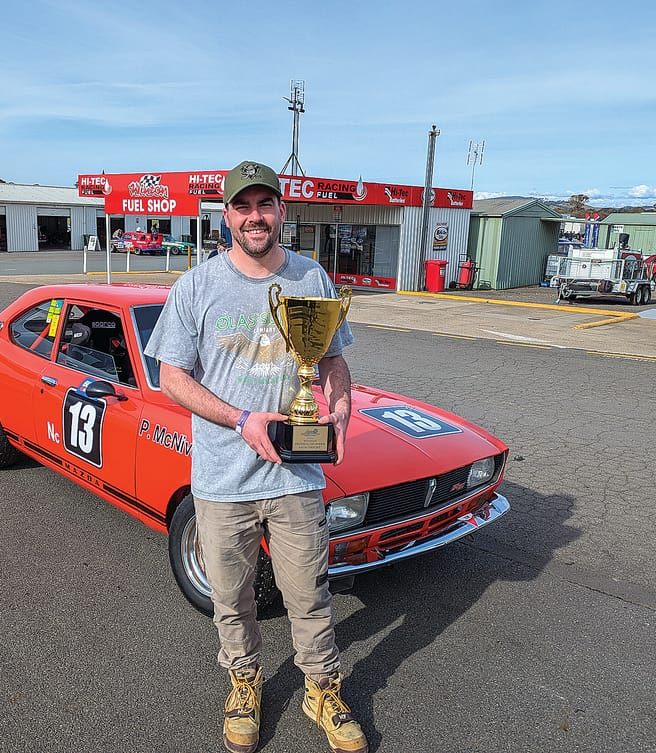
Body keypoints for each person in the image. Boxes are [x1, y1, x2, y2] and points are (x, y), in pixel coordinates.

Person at [144, 160, 365, 753]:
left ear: (281, 212)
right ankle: (244, 680)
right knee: (231, 596)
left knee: (308, 594)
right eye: (243, 207)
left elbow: (334, 363)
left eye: (265, 204)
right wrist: (241, 419)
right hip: (221, 478)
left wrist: (340, 414)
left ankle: (322, 686)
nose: (255, 217)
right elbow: (171, 377)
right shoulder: (196, 286)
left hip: (295, 474)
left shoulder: (311, 278)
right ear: (227, 215)